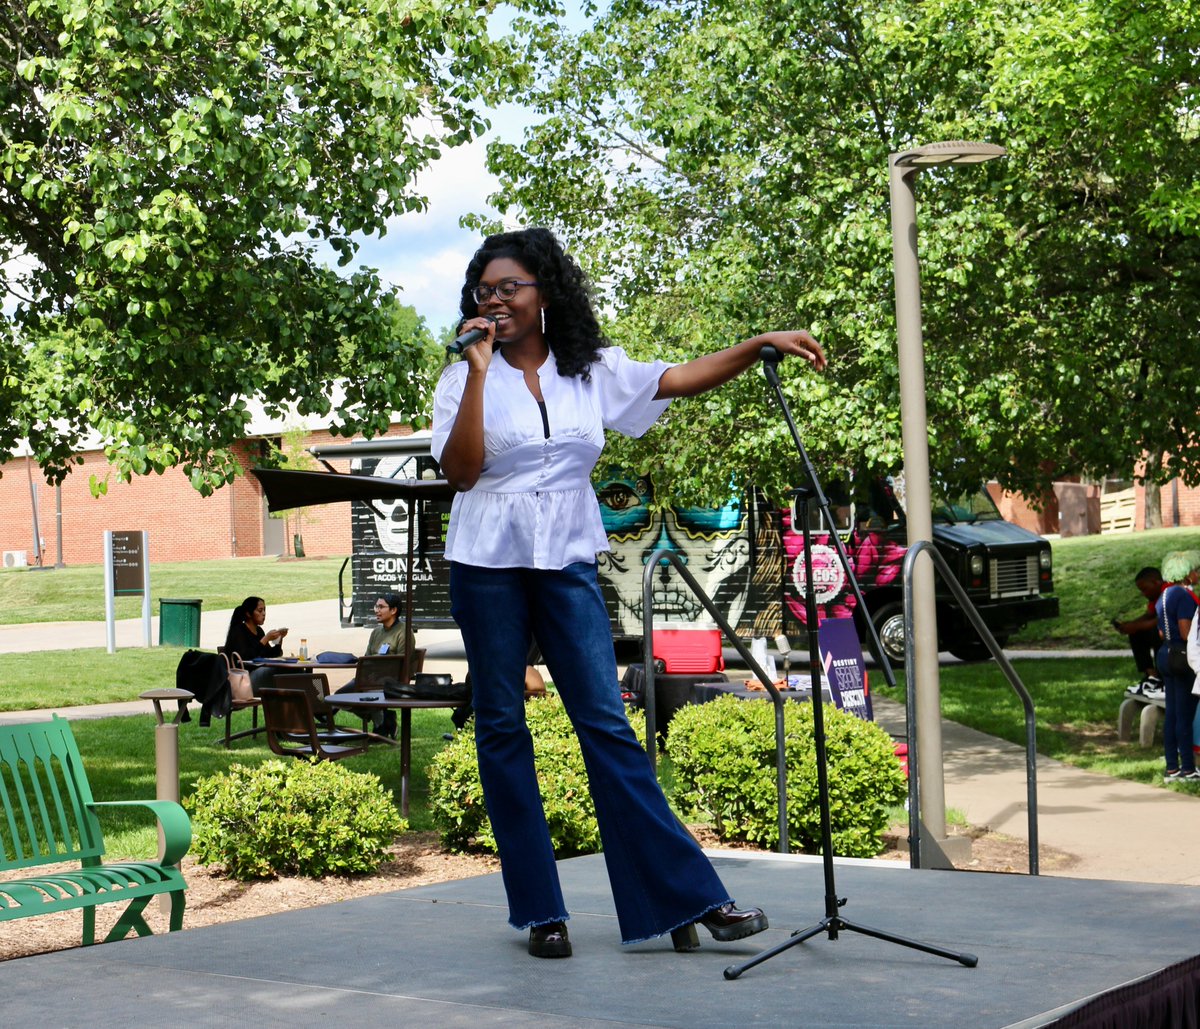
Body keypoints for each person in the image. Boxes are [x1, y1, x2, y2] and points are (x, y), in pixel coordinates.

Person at [431, 227, 826, 959]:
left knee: (607, 724)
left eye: (509, 287)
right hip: (487, 565)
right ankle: (541, 911)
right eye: (484, 291)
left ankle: (687, 897)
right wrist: (479, 374)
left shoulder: (589, 370)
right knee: (502, 726)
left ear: (545, 292)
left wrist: (755, 345)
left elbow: (674, 378)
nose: (495, 301)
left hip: (567, 562)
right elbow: (460, 472)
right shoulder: (460, 379)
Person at [335, 592, 417, 737]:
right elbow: (367, 658)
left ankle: (382, 724)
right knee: (339, 697)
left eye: (381, 607)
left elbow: (403, 663)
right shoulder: (376, 632)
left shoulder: (404, 632)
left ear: (393, 610)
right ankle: (382, 718)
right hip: (369, 679)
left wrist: (378, 672)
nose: (376, 610)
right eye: (376, 606)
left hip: (390, 681)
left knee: (361, 695)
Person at [1155, 552, 1200, 782]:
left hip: (1166, 654)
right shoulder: (1183, 596)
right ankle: (1188, 768)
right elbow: (1185, 631)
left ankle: (1171, 767)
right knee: (1185, 715)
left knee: (1172, 714)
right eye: (1195, 570)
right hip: (1183, 658)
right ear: (1186, 573)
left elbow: (1162, 633)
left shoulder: (1163, 596)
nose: (1197, 573)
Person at [1115, 567, 1167, 698]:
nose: (1144, 594)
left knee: (1156, 631)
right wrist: (1131, 625)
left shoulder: (1169, 592)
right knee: (1137, 633)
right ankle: (1151, 676)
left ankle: (1163, 678)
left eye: (1145, 589)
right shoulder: (1155, 597)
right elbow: (1149, 615)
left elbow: (1161, 620)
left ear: (1156, 582)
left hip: (1178, 635)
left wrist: (1135, 626)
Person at [223, 596, 289, 695]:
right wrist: (265, 639)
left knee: (295, 670)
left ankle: (302, 700)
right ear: (248, 613)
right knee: (279, 671)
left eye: (264, 610)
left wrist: (280, 639)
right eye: (260, 610)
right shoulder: (239, 631)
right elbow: (245, 657)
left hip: (259, 673)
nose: (264, 613)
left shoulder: (259, 631)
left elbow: (271, 655)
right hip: (245, 678)